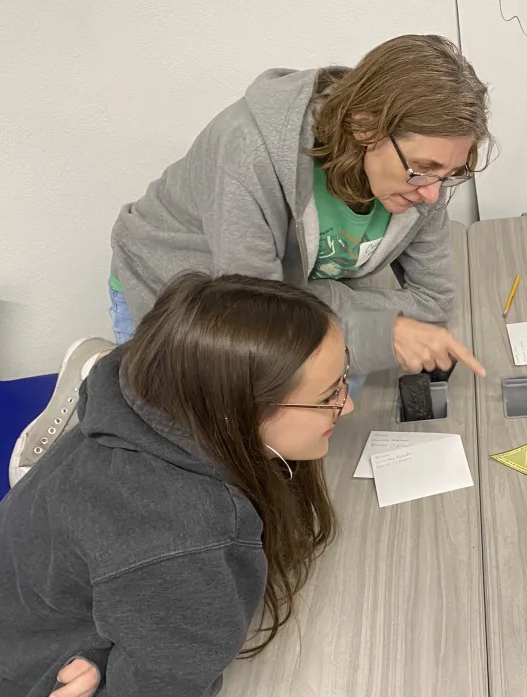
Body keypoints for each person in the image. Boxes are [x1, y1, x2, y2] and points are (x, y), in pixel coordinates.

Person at [10, 34, 487, 487]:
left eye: (451, 173)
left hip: (274, 297)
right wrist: (379, 325)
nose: (432, 193)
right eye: (422, 169)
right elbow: (256, 323)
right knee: (176, 458)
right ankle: (95, 388)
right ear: (364, 127)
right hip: (175, 287)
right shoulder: (250, 150)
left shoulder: (428, 175)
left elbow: (432, 300)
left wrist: (364, 321)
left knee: (299, 435)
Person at [1, 273, 351, 697]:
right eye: (328, 395)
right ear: (238, 410)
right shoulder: (181, 537)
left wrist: (103, 651)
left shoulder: (154, 390)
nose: (347, 405)